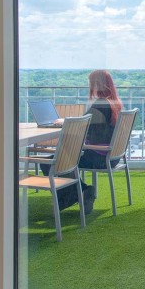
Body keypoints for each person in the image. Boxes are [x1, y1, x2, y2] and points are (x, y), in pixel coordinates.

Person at [45, 69, 122, 214]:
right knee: (60, 158)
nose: (90, 86)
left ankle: (80, 193)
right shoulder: (113, 103)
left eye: (91, 83)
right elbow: (88, 121)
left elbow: (81, 124)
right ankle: (81, 192)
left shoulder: (100, 104)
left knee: (52, 162)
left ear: (97, 84)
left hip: (99, 157)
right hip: (112, 156)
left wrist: (64, 122)